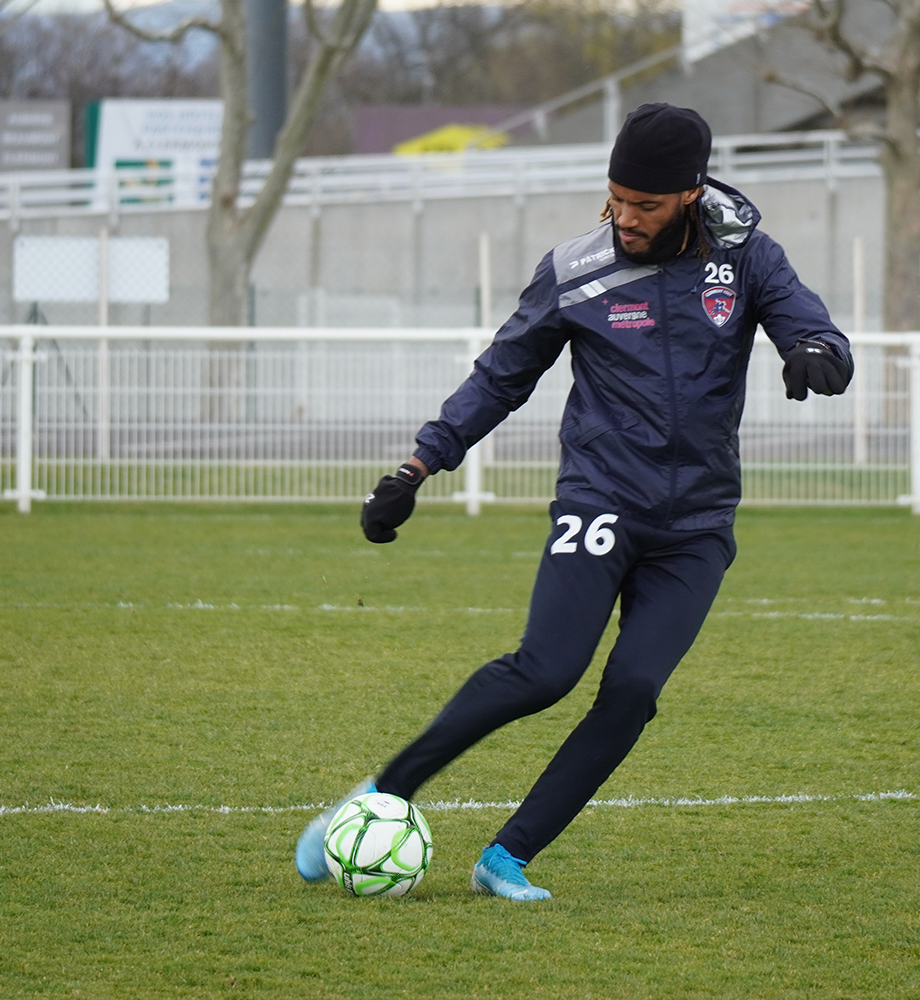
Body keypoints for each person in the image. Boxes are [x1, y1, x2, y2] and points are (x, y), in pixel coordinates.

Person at [295, 103, 852, 901]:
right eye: (617, 197)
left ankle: (507, 857)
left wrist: (818, 356)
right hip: (602, 500)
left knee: (632, 692)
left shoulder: (748, 261)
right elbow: (502, 376)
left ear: (690, 195)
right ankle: (382, 793)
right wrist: (418, 467)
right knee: (544, 672)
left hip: (696, 528)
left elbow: (817, 330)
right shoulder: (576, 269)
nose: (626, 217)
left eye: (647, 205)